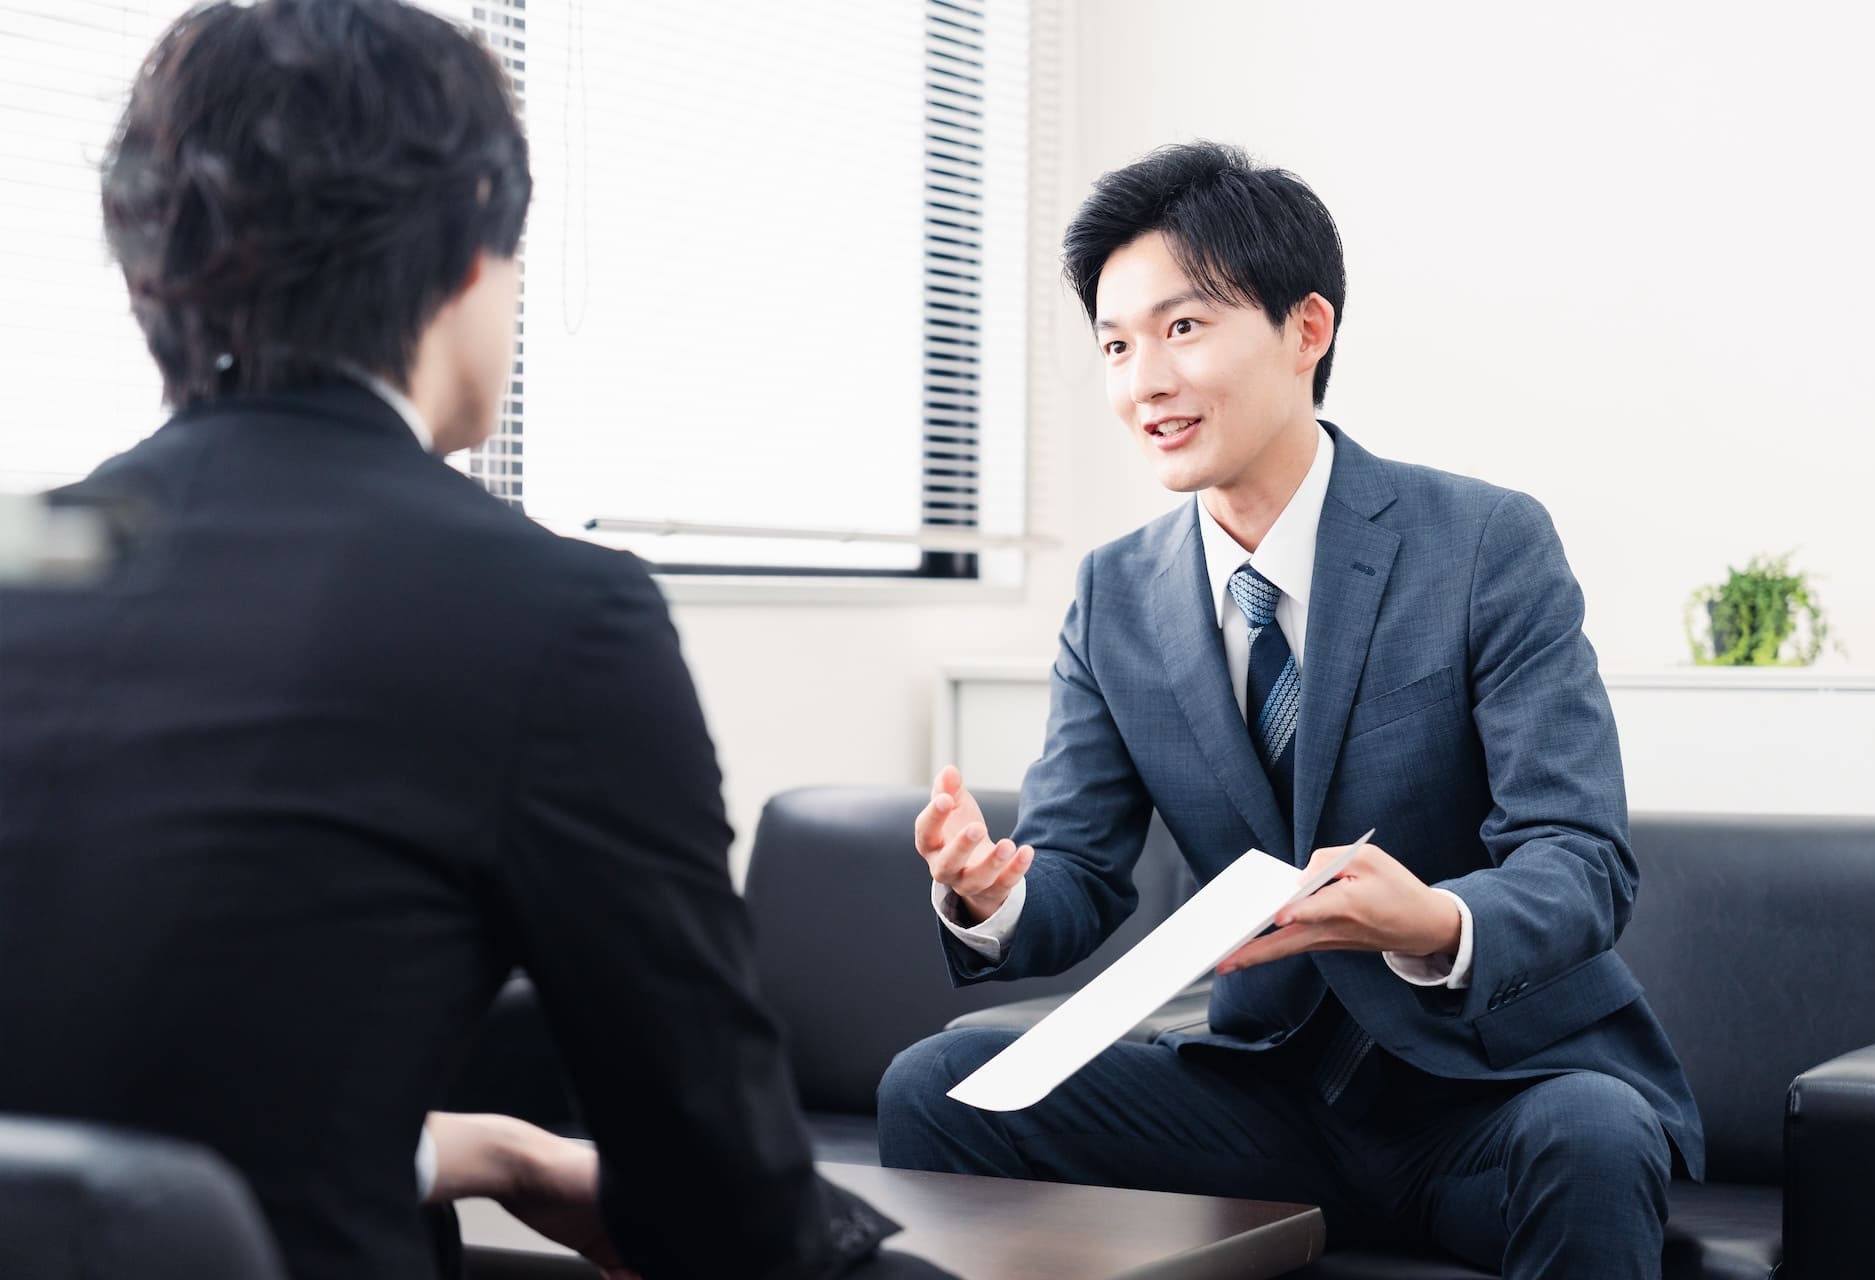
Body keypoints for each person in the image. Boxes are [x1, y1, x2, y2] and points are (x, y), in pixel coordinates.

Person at [0, 3, 948, 1278]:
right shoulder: (548, 612)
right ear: (465, 258)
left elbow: (131, 1096)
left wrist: (478, 1148)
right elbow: (718, 1189)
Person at [878, 142, 1704, 1279]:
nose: (1143, 382)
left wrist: (1431, 920)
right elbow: (1076, 872)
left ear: (1306, 329)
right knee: (939, 1085)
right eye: (1115, 345)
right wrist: (992, 893)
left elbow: (1581, 857)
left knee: (1595, 1135)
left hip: (1496, 1091)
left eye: (1181, 329)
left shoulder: (1484, 543)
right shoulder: (1117, 595)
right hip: (1271, 1101)